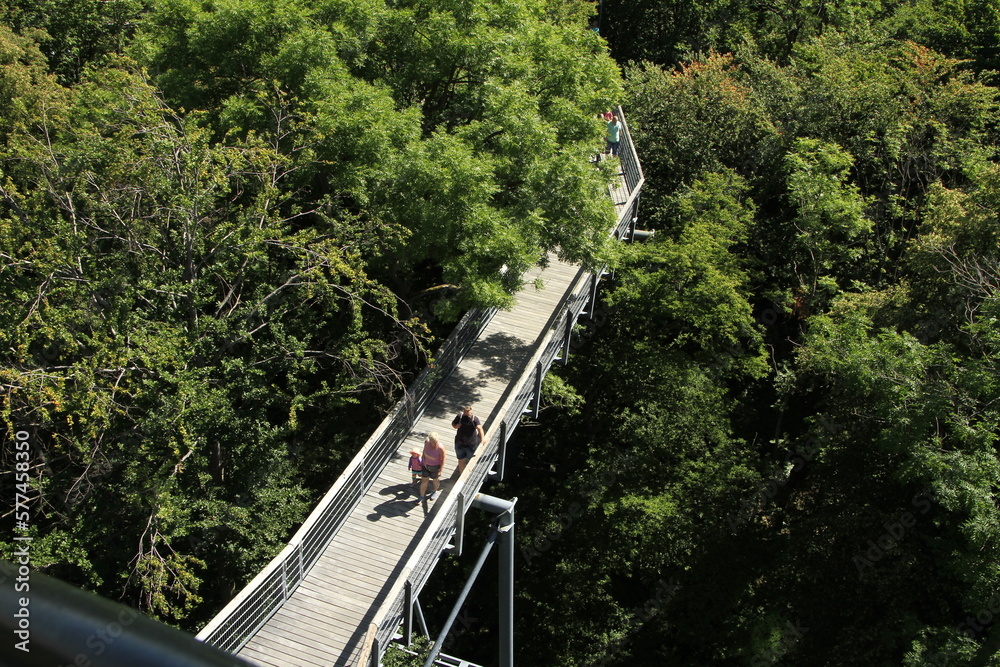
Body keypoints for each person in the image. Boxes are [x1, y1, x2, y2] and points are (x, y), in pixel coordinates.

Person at [451, 405, 485, 474]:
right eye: (466, 412)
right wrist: (456, 426)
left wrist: (482, 439)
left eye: (469, 412)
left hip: (471, 444)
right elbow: (453, 423)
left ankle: (470, 473)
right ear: (464, 412)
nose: (468, 413)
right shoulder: (460, 417)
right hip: (459, 443)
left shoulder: (474, 419)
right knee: (461, 460)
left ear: (471, 411)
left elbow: (479, 428)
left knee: (471, 460)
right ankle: (462, 475)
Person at [419, 433, 445, 501]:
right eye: (432, 442)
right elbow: (424, 451)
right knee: (424, 480)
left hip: (435, 467)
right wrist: (422, 461)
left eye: (434, 442)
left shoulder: (440, 448)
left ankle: (434, 491)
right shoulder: (427, 442)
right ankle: (421, 496)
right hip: (425, 465)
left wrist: (440, 470)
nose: (433, 444)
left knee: (435, 480)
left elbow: (443, 459)